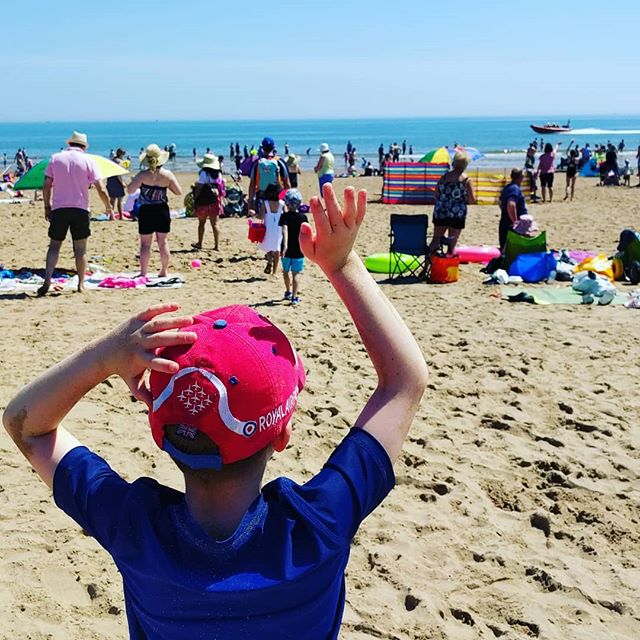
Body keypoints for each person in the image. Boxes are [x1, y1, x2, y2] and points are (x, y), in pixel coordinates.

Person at [3, 183, 428, 640]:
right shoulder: (317, 527)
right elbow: (405, 381)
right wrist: (343, 265)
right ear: (281, 435)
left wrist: (106, 356)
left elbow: (28, 426)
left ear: (159, 435)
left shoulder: (135, 529)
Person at [38, 131, 112, 296]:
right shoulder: (89, 160)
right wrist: (108, 206)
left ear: (69, 144)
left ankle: (47, 280)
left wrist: (46, 206)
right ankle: (80, 284)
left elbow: (46, 184)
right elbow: (101, 187)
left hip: (59, 208)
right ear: (84, 146)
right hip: (80, 209)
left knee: (54, 246)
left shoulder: (55, 158)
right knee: (80, 249)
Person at [127, 144, 182, 278]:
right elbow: (178, 192)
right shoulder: (167, 175)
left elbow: (129, 191)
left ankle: (143, 272)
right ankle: (164, 271)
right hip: (161, 210)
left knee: (145, 244)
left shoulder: (142, 175)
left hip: (146, 210)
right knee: (162, 242)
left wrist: (135, 181)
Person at [428, 152, 477, 255]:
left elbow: (436, 195)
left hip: (441, 212)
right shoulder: (466, 180)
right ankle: (448, 268)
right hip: (457, 214)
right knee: (452, 243)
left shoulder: (444, 177)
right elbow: (472, 200)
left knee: (435, 241)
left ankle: (428, 265)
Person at [279, 189, 307, 305]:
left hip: (286, 250)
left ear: (287, 203)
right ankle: (294, 298)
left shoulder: (284, 216)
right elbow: (306, 234)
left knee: (285, 271)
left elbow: (284, 230)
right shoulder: (303, 217)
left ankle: (287, 292)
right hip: (299, 249)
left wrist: (285, 245)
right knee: (295, 274)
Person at [191, 153, 225, 251]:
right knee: (215, 224)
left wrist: (195, 199)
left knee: (201, 223)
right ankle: (216, 246)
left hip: (203, 202)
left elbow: (199, 188)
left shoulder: (204, 173)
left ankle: (200, 243)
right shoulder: (218, 173)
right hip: (214, 201)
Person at [499, 168, 528, 249]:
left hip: (504, 222)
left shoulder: (507, 187)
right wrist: (515, 223)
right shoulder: (514, 189)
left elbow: (500, 203)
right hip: (511, 224)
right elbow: (511, 205)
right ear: (520, 177)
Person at [106, 148, 127, 219]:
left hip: (110, 181)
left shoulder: (112, 160)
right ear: (121, 154)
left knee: (112, 199)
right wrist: (123, 183)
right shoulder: (119, 161)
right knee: (120, 200)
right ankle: (121, 216)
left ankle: (111, 216)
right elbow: (119, 174)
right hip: (117, 182)